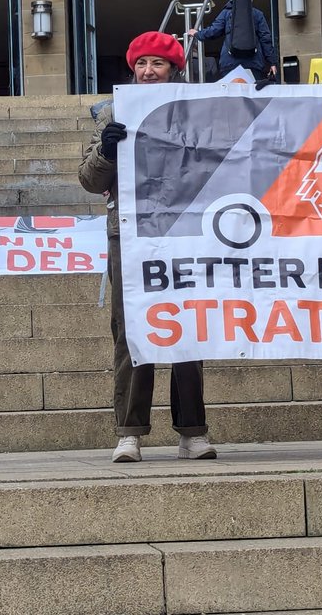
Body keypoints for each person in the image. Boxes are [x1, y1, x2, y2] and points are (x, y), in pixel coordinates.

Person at [79, 31, 214, 463]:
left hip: (185, 232)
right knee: (131, 330)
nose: (149, 71)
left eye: (158, 63)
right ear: (132, 69)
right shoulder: (112, 113)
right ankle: (129, 432)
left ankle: (192, 432)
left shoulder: (196, 110)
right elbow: (89, 180)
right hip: (130, 235)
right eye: (141, 63)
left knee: (187, 327)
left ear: (174, 69)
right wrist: (107, 150)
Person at [187, 0, 277, 81]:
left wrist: (198, 34)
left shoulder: (226, 13)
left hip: (229, 63)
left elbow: (214, 31)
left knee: (231, 90)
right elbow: (266, 39)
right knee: (252, 90)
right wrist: (272, 62)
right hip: (254, 64)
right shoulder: (257, 14)